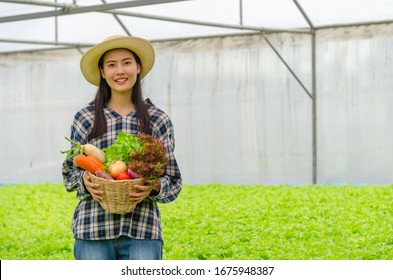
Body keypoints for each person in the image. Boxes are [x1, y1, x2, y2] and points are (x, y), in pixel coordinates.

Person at [62, 35, 182, 260]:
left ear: (138, 67)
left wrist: (153, 187)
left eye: (127, 62)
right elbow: (69, 174)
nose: (120, 71)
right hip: (93, 229)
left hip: (142, 231)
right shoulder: (85, 118)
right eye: (111, 65)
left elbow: (173, 182)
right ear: (102, 72)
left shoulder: (158, 120)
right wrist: (85, 181)